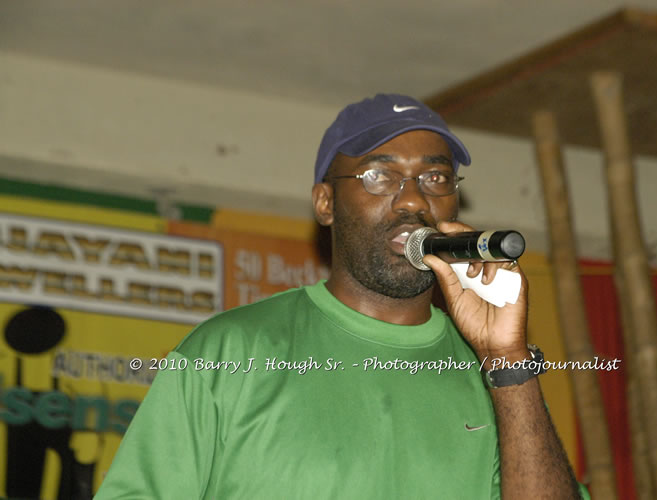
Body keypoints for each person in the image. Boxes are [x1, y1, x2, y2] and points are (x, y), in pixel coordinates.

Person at [95, 94, 586, 499]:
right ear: (326, 203)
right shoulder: (228, 353)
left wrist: (508, 360)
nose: (414, 199)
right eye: (380, 175)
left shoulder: (492, 381)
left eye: (435, 178)